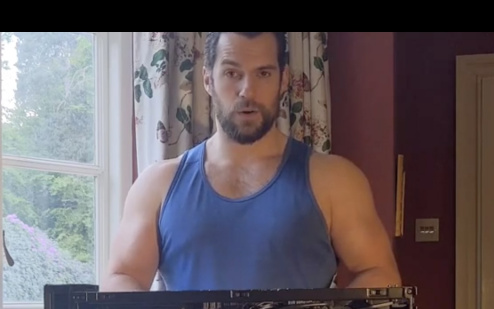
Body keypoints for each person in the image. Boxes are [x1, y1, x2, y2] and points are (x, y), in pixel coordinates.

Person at [101, 31, 401, 292]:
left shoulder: (335, 180)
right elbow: (122, 277)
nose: (248, 91)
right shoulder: (157, 185)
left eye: (264, 74)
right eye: (232, 73)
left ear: (284, 80)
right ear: (208, 79)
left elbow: (380, 274)